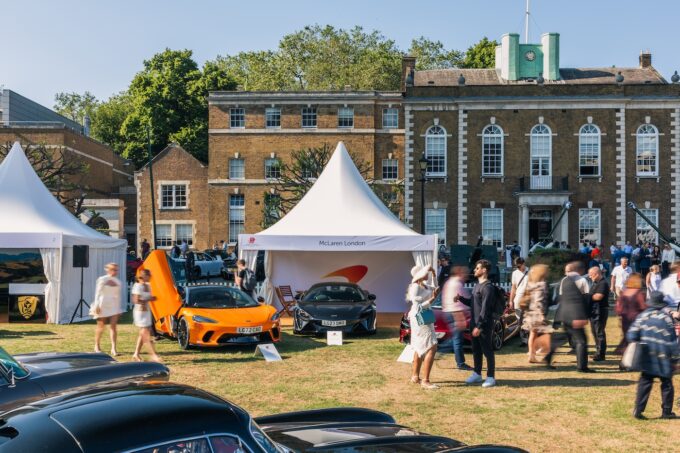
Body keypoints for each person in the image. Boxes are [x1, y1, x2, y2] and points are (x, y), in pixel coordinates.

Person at [628, 292, 679, 419]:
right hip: (663, 357)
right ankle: (666, 412)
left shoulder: (642, 316)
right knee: (667, 384)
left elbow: (631, 335)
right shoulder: (667, 319)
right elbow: (672, 341)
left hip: (647, 356)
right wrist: (676, 358)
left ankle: (638, 410)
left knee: (645, 382)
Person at [545, 262, 594, 372]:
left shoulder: (564, 280)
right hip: (576, 314)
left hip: (565, 313)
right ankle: (582, 367)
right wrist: (585, 315)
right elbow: (586, 299)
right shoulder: (582, 280)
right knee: (581, 341)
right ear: (580, 270)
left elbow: (561, 297)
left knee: (563, 337)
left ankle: (548, 356)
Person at [406, 265, 439, 389]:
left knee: (420, 346)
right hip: (420, 317)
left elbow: (436, 288)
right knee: (432, 346)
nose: (428, 274)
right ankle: (426, 380)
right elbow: (417, 306)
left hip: (425, 316)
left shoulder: (424, 285)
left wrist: (434, 274)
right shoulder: (415, 287)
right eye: (426, 272)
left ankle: (415, 377)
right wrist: (432, 299)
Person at [465, 259, 497, 388]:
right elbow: (472, 304)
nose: (474, 270)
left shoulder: (488, 288)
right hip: (474, 323)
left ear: (484, 270)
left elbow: (485, 309)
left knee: (487, 351)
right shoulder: (476, 286)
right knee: (476, 350)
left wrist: (479, 326)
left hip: (483, 325)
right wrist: (460, 298)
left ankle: (491, 377)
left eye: (477, 268)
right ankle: (477, 374)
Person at [441, 265, 473, 371]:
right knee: (457, 340)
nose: (466, 276)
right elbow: (456, 303)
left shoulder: (449, 282)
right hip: (455, 313)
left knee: (455, 338)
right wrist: (460, 318)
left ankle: (438, 351)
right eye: (465, 273)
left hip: (449, 312)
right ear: (459, 273)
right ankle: (460, 363)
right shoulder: (457, 284)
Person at [90, 263, 124, 356]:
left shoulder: (118, 282)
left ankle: (113, 349)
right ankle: (96, 346)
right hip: (103, 304)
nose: (115, 271)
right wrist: (97, 305)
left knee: (113, 327)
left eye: (116, 270)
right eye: (113, 269)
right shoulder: (102, 279)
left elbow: (118, 296)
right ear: (108, 270)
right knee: (101, 326)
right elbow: (98, 293)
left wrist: (118, 309)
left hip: (113, 305)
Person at [521, 264, 550, 363]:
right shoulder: (542, 285)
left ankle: (531, 354)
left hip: (531, 313)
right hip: (538, 313)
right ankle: (543, 353)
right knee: (547, 334)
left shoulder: (531, 284)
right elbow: (539, 299)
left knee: (532, 334)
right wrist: (541, 313)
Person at [131, 269, 161, 363]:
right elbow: (135, 300)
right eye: (149, 276)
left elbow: (148, 298)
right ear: (144, 276)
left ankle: (136, 354)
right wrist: (147, 300)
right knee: (146, 334)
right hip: (140, 311)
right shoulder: (137, 286)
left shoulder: (148, 285)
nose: (150, 278)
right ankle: (153, 355)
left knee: (143, 333)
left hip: (147, 311)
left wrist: (152, 298)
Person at [614, 273, 646, 355]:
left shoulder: (624, 292)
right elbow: (643, 307)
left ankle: (625, 356)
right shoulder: (639, 293)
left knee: (627, 337)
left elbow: (618, 308)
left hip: (625, 319)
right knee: (635, 339)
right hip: (636, 319)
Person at [588, 266, 610, 362]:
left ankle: (601, 354)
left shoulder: (603, 283)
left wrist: (586, 297)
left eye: (591, 274)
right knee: (594, 332)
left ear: (597, 274)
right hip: (594, 311)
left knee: (599, 332)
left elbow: (598, 296)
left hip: (600, 311)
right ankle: (598, 352)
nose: (589, 276)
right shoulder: (596, 283)